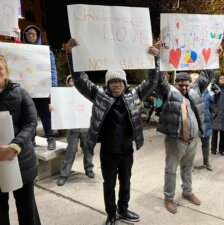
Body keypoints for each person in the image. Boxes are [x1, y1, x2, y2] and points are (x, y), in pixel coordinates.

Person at [66, 38, 159, 225]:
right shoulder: (99, 95)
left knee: (126, 183)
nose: (116, 84)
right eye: (113, 81)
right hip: (108, 152)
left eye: (120, 81)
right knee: (109, 185)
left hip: (126, 151)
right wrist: (71, 54)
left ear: (125, 84)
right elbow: (79, 79)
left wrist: (155, 60)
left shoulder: (134, 95)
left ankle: (123, 210)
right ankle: (111, 214)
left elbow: (151, 81)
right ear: (107, 84)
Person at [155, 72, 204, 214]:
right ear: (175, 84)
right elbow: (160, 80)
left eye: (186, 85)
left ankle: (187, 192)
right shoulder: (169, 94)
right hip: (176, 141)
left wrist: (215, 54)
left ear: (190, 85)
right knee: (171, 169)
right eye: (180, 85)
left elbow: (206, 76)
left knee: (188, 167)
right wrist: (157, 61)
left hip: (193, 140)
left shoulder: (194, 93)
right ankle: (169, 198)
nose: (183, 87)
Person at [0, 55, 41, 225]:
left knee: (27, 208)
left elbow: (31, 123)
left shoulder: (21, 92)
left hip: (21, 159)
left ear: (6, 71)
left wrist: (15, 146)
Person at [22, 25, 58, 150]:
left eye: (33, 34)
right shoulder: (22, 51)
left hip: (43, 90)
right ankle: (31, 139)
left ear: (37, 36)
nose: (30, 36)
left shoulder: (46, 52)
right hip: (26, 91)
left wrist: (52, 87)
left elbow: (52, 70)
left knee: (46, 114)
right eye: (28, 34)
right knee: (29, 116)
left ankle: (50, 138)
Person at [56, 75, 94, 186]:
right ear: (68, 82)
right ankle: (64, 175)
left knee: (88, 148)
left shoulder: (87, 93)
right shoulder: (64, 95)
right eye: (71, 80)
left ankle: (89, 169)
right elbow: (60, 108)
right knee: (71, 150)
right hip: (72, 127)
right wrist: (53, 108)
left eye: (74, 80)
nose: (73, 82)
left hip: (86, 127)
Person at [210, 74, 224, 155]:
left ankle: (221, 150)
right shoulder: (214, 89)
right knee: (214, 133)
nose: (222, 80)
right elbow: (211, 101)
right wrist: (214, 111)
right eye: (220, 78)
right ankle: (213, 149)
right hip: (216, 114)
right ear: (218, 80)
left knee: (223, 133)